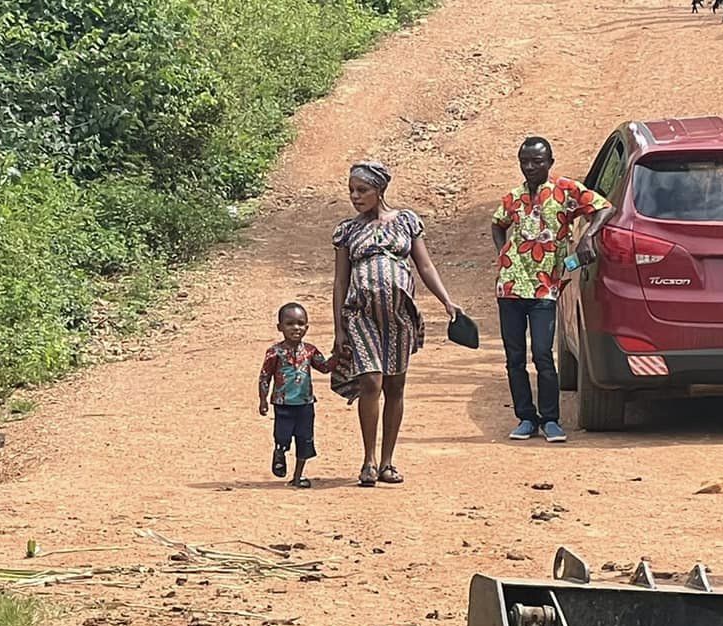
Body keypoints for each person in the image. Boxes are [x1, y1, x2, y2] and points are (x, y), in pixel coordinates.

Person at [331, 160, 462, 487]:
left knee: (395, 386)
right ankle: (368, 461)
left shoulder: (405, 222)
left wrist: (446, 300)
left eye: (362, 190)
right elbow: (339, 281)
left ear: (380, 190)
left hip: (398, 316)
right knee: (371, 383)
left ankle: (388, 462)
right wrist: (338, 328)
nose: (355, 197)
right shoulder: (348, 231)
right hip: (362, 315)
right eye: (351, 191)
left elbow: (426, 266)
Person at [492, 136, 612, 443]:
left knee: (543, 353)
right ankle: (525, 418)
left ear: (550, 162)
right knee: (514, 357)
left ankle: (551, 419)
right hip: (510, 287)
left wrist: (588, 238)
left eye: (537, 161)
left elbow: (603, 208)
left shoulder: (566, 191)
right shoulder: (513, 197)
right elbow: (498, 223)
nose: (530, 167)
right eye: (525, 161)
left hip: (545, 287)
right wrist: (502, 254)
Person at [259, 302, 332, 489]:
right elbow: (265, 376)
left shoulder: (310, 351)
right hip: (283, 403)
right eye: (290, 323)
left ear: (307, 327)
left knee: (305, 439)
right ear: (280, 327)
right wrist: (263, 401)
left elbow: (324, 367)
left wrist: (339, 356)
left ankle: (298, 476)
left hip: (305, 403)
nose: (296, 328)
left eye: (300, 323)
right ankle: (279, 453)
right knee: (282, 436)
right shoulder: (275, 352)